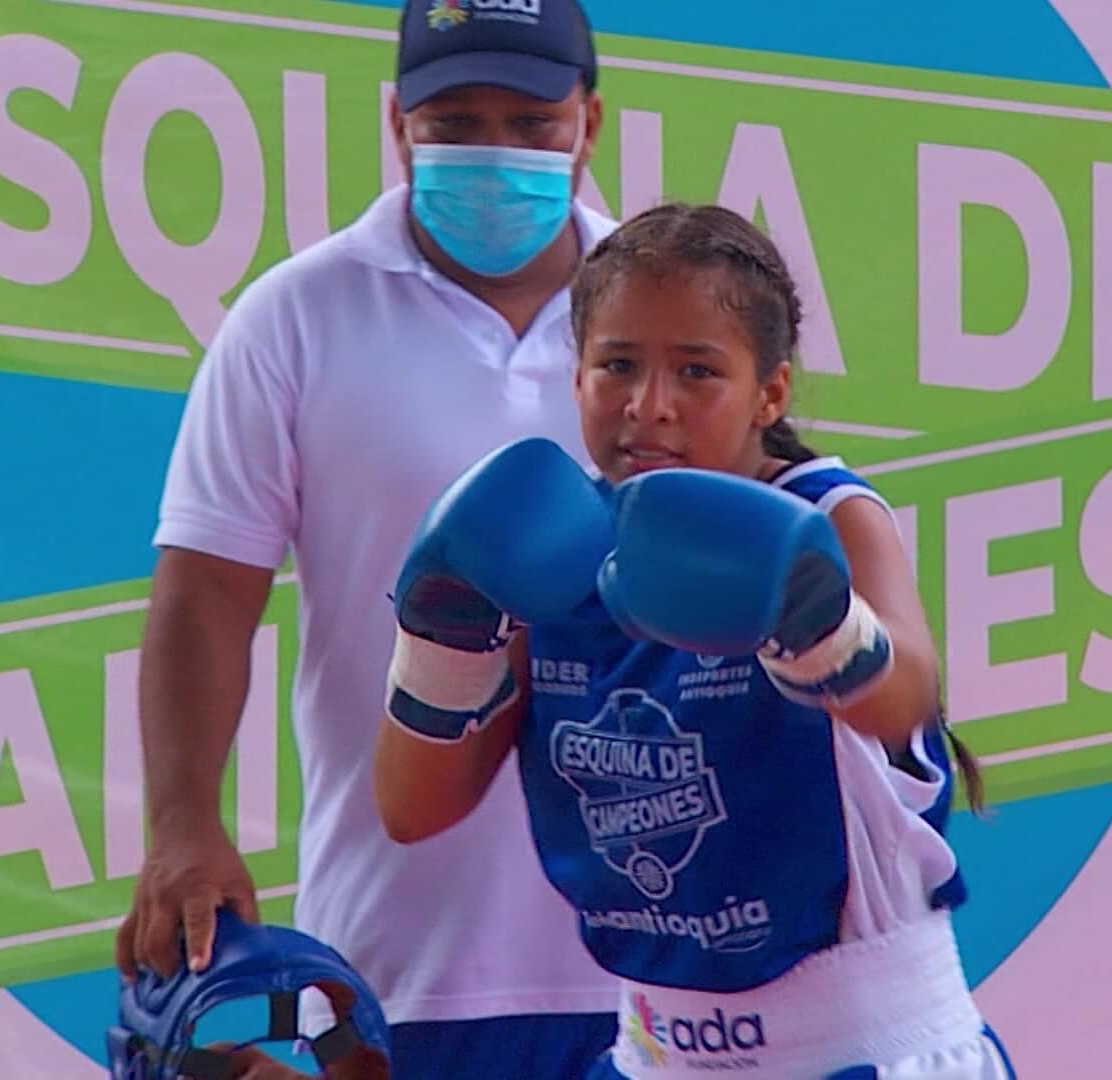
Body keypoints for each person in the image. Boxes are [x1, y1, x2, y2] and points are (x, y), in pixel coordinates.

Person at [373, 203, 1015, 1079]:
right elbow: (414, 809)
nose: (651, 406)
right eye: (618, 366)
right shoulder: (549, 553)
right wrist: (443, 645)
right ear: (578, 377)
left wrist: (810, 616)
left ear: (771, 392)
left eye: (697, 372)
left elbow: (908, 698)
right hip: (653, 1054)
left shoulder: (824, 513)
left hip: (861, 1049)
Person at [115, 0, 621, 1074]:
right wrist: (181, 826)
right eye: (455, 120)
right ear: (397, 122)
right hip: (396, 962)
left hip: (665, 956)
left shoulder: (672, 317)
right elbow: (205, 594)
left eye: (530, 125)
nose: (493, 153)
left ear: (592, 122)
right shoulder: (294, 318)